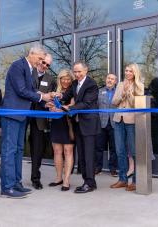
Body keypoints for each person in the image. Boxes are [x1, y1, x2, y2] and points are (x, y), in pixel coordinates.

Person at [0, 45, 53, 198]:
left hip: (22, 115)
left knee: (18, 150)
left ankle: (16, 183)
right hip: (12, 114)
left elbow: (32, 91)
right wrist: (43, 97)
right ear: (32, 54)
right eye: (40, 58)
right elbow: (21, 90)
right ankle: (7, 187)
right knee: (9, 151)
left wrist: (46, 101)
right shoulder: (18, 66)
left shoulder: (30, 69)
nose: (41, 62)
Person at [57, 61, 101, 193]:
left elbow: (86, 104)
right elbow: (67, 95)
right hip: (78, 124)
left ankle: (90, 183)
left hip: (89, 125)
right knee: (81, 155)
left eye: (79, 71)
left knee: (88, 155)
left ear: (86, 70)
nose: (77, 74)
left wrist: (69, 108)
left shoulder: (92, 84)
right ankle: (86, 181)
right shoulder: (75, 83)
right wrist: (58, 97)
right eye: (75, 72)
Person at [110, 63, 144, 192]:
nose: (127, 73)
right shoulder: (119, 84)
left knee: (134, 151)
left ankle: (136, 181)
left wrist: (129, 94)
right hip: (118, 120)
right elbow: (113, 102)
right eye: (126, 71)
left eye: (130, 71)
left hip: (132, 121)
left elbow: (138, 104)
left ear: (135, 72)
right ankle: (123, 179)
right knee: (120, 151)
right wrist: (122, 94)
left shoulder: (139, 85)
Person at [29, 53, 55, 190]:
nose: (44, 66)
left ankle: (35, 178)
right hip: (23, 114)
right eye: (43, 62)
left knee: (37, 149)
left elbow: (50, 97)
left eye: (48, 65)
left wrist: (49, 102)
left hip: (39, 118)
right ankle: (14, 178)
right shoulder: (28, 72)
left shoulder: (50, 79)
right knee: (16, 147)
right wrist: (40, 95)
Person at [48, 69, 75, 191]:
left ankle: (67, 180)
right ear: (60, 79)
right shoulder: (55, 91)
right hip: (56, 123)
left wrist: (64, 108)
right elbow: (49, 105)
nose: (66, 81)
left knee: (68, 151)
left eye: (68, 79)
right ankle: (58, 177)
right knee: (57, 151)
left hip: (68, 123)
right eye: (63, 78)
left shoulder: (74, 90)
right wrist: (51, 109)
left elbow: (73, 106)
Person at [95, 74, 118, 177]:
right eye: (108, 78)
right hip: (101, 123)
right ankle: (98, 168)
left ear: (115, 81)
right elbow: (95, 106)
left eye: (112, 79)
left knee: (114, 148)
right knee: (99, 147)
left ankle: (113, 169)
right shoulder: (99, 91)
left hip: (114, 124)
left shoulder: (118, 92)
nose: (110, 80)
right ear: (106, 79)